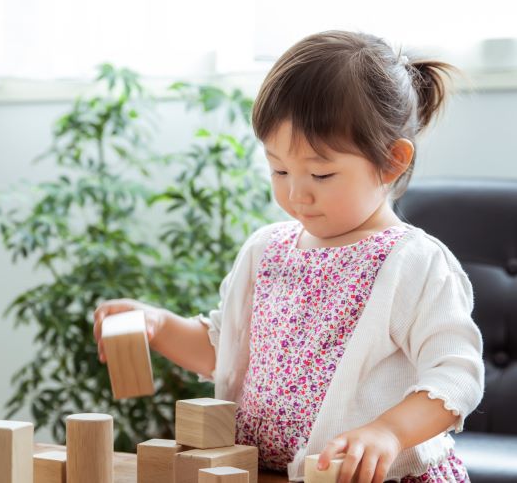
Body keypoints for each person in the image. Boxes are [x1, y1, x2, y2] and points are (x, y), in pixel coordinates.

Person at [93, 30, 484, 483]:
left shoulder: (412, 262)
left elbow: (456, 373)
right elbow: (226, 352)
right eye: (278, 168)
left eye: (321, 172)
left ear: (392, 161)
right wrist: (159, 326)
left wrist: (389, 432)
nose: (296, 193)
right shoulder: (266, 251)